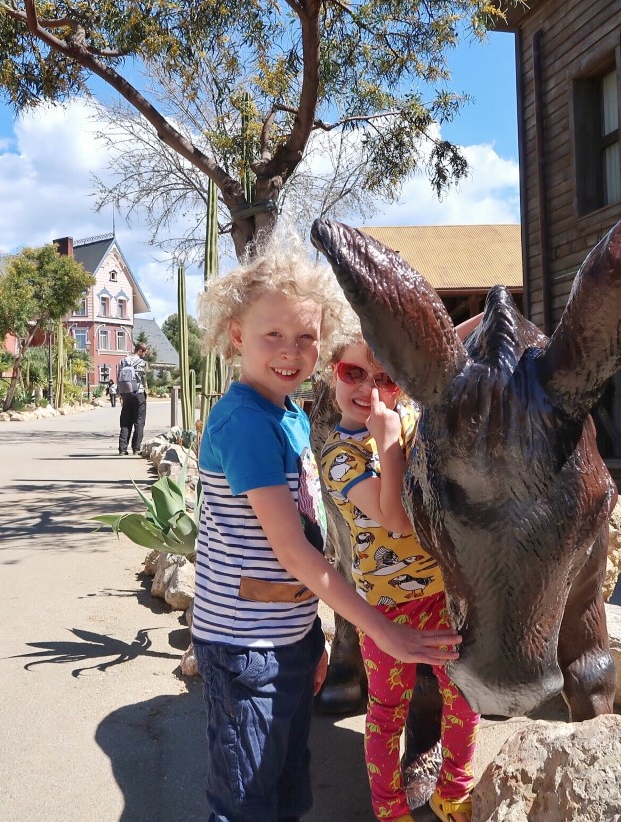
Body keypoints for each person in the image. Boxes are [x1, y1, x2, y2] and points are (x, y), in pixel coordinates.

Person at [193, 240, 462, 822]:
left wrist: (310, 639)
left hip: (284, 634)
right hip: (245, 643)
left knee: (287, 789)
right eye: (273, 335)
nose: (291, 352)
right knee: (246, 801)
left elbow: (311, 535)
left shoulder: (287, 412)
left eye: (307, 338)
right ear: (236, 334)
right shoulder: (245, 423)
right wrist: (381, 629)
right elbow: (292, 552)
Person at [319, 336, 481, 822]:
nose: (369, 389)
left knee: (463, 696)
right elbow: (396, 521)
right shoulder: (339, 456)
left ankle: (453, 789)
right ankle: (389, 808)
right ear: (332, 372)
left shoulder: (410, 415)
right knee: (388, 712)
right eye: (354, 374)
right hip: (386, 605)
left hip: (442, 591)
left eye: (386, 377)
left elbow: (440, 341)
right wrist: (388, 443)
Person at [117, 344, 148, 455]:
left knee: (125, 421)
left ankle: (122, 448)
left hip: (126, 393)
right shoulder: (142, 363)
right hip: (138, 393)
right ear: (140, 351)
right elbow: (144, 380)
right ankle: (136, 448)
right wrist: (146, 392)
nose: (145, 355)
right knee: (139, 421)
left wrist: (120, 394)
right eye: (144, 353)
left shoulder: (122, 361)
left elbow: (118, 378)